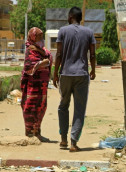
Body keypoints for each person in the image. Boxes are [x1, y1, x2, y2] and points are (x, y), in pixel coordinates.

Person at [53, 7, 96, 152]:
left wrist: (55, 74)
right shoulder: (89, 32)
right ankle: (73, 142)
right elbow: (93, 55)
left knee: (63, 106)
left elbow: (58, 54)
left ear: (71, 16)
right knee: (79, 109)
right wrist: (93, 70)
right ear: (80, 17)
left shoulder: (63, 31)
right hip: (82, 75)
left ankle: (63, 139)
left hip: (65, 74)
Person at [21, 27, 53, 142]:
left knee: (41, 107)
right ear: (33, 37)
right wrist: (42, 63)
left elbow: (49, 58)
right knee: (30, 107)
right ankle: (29, 133)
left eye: (41, 36)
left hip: (42, 86)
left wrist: (44, 59)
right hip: (32, 86)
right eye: (38, 36)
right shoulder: (30, 49)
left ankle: (37, 132)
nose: (41, 38)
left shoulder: (41, 49)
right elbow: (29, 66)